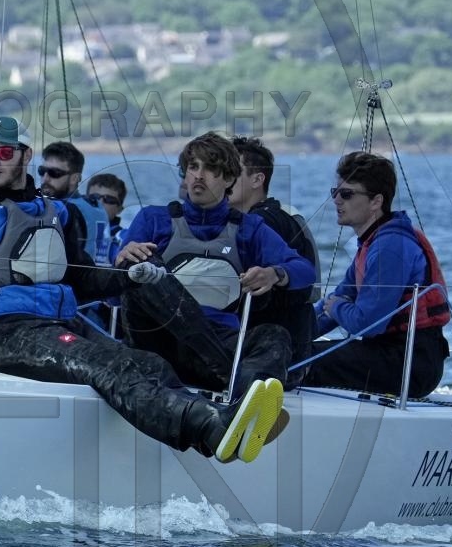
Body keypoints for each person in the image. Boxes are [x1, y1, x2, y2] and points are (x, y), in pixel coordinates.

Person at [0, 116, 288, 464]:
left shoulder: (58, 213)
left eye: (3, 152)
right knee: (110, 365)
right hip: (4, 332)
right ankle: (210, 426)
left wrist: (131, 277)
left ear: (26, 155)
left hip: (57, 325)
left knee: (149, 363)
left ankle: (215, 425)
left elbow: (82, 281)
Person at [111, 132, 316, 396]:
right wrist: (123, 258)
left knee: (275, 336)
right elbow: (114, 291)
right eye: (193, 167)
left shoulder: (249, 229)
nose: (199, 175)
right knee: (144, 267)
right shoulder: (152, 220)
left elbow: (304, 269)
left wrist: (275, 273)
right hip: (158, 343)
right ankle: (228, 375)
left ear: (229, 178)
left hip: (219, 339)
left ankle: (243, 402)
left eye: (210, 168)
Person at [303, 151, 450, 398]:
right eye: (335, 192)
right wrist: (289, 335)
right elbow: (335, 301)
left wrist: (337, 307)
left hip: (410, 362)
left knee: (302, 361)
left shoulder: (389, 248)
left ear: (375, 201)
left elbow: (367, 324)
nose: (336, 200)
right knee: (293, 353)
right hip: (386, 352)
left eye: (346, 194)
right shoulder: (372, 243)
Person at [229, 136, 319, 365]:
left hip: (276, 355)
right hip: (297, 344)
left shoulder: (261, 224)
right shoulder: (282, 215)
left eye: (232, 171)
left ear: (257, 179)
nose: (223, 178)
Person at [36, 141, 114, 265]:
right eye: (42, 171)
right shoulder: (96, 206)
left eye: (54, 173)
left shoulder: (65, 211)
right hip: (99, 273)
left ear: (74, 178)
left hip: (76, 275)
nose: (45, 178)